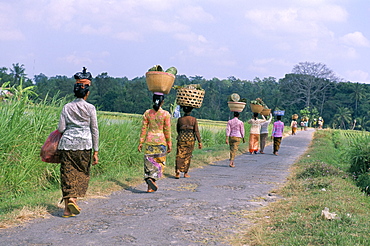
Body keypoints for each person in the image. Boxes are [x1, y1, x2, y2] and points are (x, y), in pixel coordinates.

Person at [57, 67, 99, 218]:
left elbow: (61, 128)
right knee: (81, 173)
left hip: (67, 145)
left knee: (67, 174)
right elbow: (94, 130)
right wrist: (96, 151)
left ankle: (67, 209)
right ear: (87, 92)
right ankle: (73, 199)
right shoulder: (90, 108)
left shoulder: (67, 107)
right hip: (85, 145)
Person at [138, 92, 172, 192]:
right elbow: (167, 130)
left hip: (149, 140)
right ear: (163, 102)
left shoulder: (147, 113)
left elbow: (143, 129)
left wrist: (141, 142)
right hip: (161, 141)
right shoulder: (165, 114)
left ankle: (149, 182)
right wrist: (169, 144)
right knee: (159, 163)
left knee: (149, 162)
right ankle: (152, 180)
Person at [175, 106, 202, 178]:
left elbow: (178, 130)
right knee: (187, 156)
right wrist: (200, 141)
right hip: (190, 140)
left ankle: (177, 170)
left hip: (181, 139)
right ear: (190, 111)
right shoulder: (193, 119)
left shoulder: (180, 119)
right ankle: (185, 173)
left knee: (179, 154)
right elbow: (196, 131)